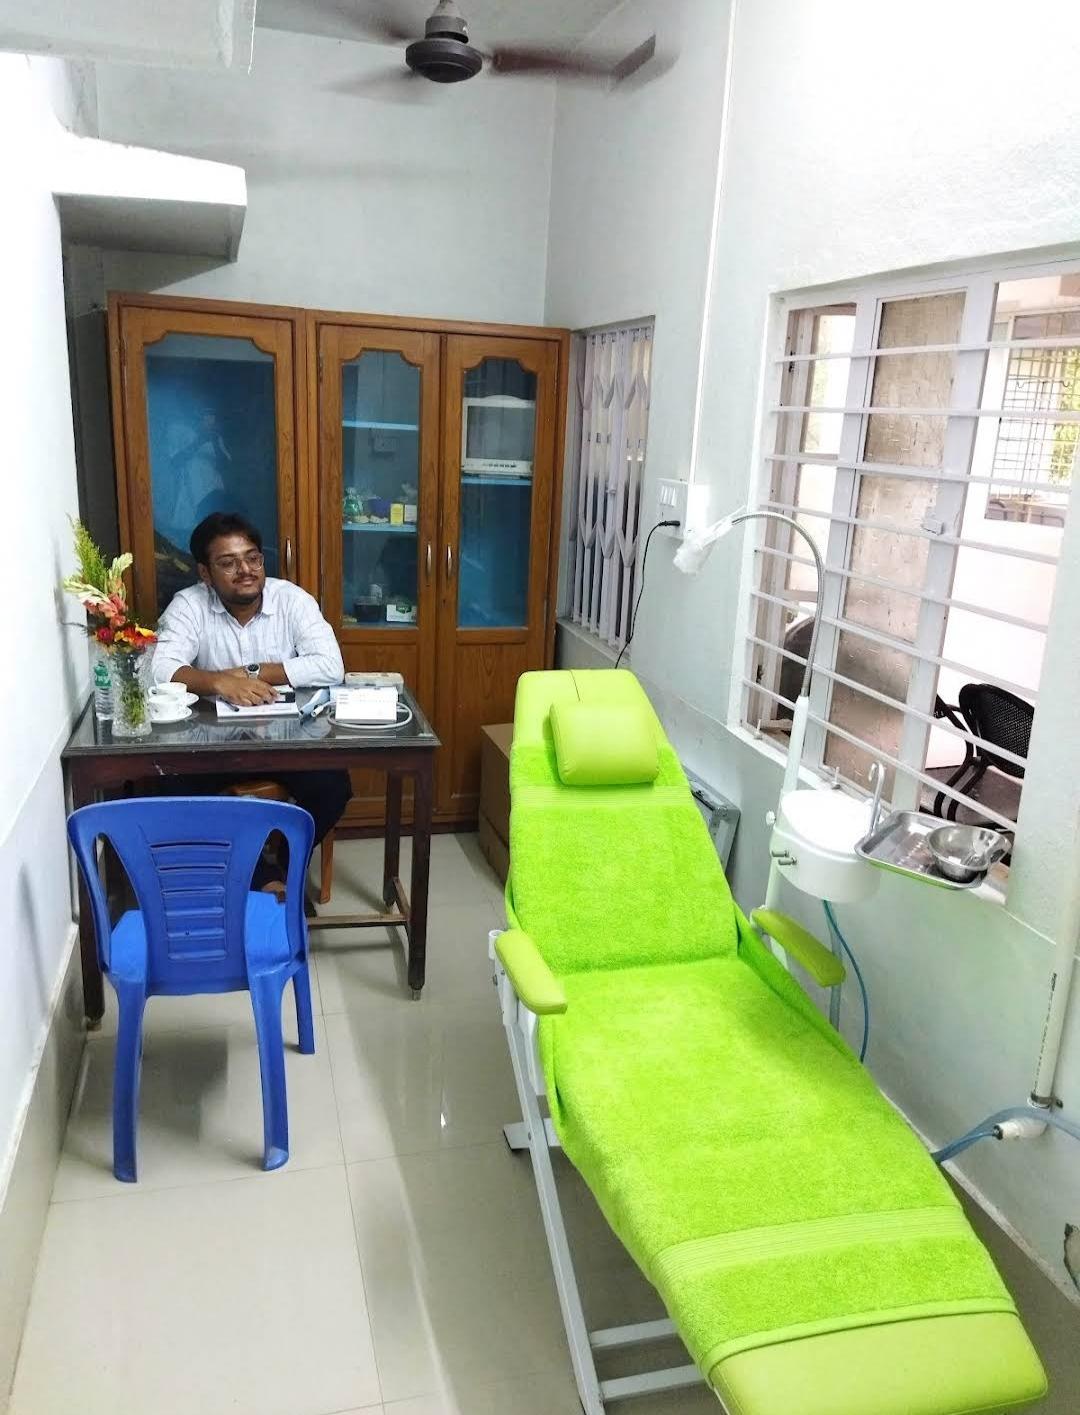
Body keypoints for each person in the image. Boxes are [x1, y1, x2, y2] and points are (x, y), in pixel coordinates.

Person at [152, 511, 351, 877]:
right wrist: (219, 683)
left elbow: (330, 665)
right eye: (228, 562)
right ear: (205, 573)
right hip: (213, 744)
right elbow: (160, 668)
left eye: (253, 558)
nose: (245, 570)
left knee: (333, 786)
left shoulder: (292, 600)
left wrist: (252, 672)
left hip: (288, 740)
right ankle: (258, 875)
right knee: (167, 785)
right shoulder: (189, 605)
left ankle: (289, 868)